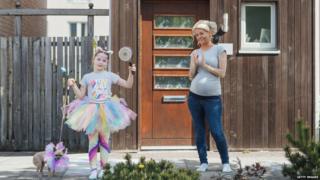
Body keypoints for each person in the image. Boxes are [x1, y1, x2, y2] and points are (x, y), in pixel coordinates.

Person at [65, 47, 137, 179]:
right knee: (92, 141)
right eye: (98, 59)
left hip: (107, 110)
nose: (101, 62)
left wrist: (131, 74)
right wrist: (73, 85)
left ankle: (103, 168)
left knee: (104, 141)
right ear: (93, 60)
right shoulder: (87, 77)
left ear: (107, 63)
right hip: (91, 111)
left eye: (104, 60)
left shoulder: (110, 75)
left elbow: (128, 84)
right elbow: (81, 96)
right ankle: (93, 169)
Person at [188, 20, 232, 173]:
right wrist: (194, 64)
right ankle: (203, 163)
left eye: (201, 33)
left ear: (210, 33)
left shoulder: (220, 50)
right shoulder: (195, 52)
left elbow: (222, 73)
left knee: (216, 130)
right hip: (194, 97)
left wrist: (205, 65)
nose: (199, 37)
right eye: (196, 35)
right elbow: (190, 76)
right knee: (199, 130)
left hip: (212, 99)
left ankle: (225, 162)